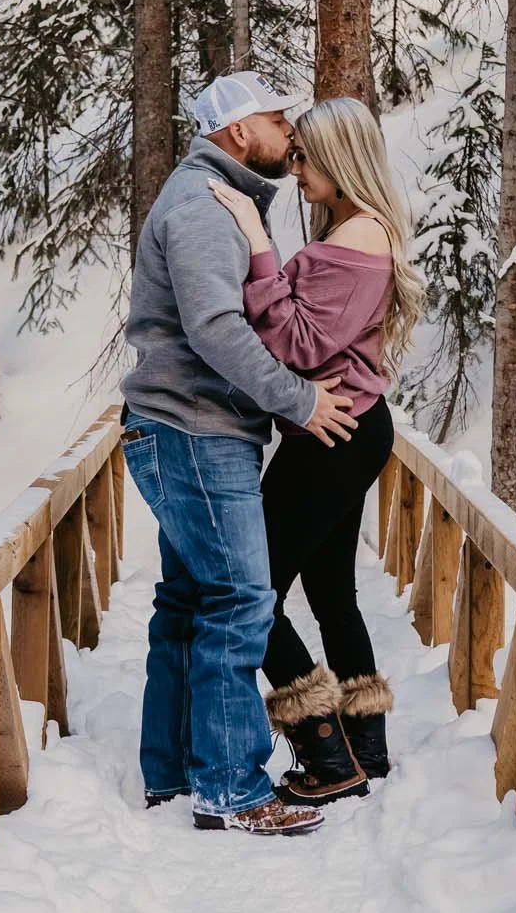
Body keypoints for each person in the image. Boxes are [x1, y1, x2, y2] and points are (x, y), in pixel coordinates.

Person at [119, 71, 361, 837]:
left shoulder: (223, 200)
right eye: (276, 117)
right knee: (242, 600)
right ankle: (230, 787)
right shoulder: (200, 208)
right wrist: (300, 399)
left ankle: (172, 770)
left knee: (189, 602)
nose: (290, 130)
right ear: (235, 134)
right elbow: (218, 331)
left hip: (186, 428)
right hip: (193, 431)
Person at [207, 97, 426, 805]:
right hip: (345, 427)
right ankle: (367, 747)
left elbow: (299, 343)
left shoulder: (356, 240)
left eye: (304, 157)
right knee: (332, 594)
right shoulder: (357, 231)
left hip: (335, 435)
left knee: (251, 595)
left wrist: (256, 241)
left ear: (338, 159)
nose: (295, 169)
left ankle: (328, 754)